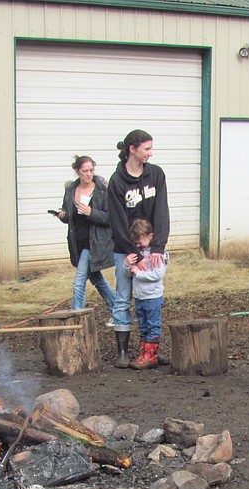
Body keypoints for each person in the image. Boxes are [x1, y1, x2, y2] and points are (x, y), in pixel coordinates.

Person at [108, 129, 170, 368]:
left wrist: (156, 247)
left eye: (151, 148)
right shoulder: (117, 181)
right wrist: (133, 254)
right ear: (132, 150)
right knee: (124, 298)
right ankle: (122, 351)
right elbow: (117, 219)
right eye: (146, 149)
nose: (150, 153)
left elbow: (162, 211)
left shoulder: (156, 174)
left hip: (151, 246)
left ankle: (150, 349)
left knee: (152, 298)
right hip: (126, 248)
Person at [55, 155, 115, 324]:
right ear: (77, 171)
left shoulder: (102, 190)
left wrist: (91, 212)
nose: (89, 174)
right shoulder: (70, 190)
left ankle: (77, 320)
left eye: (91, 170)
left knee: (78, 282)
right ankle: (118, 309)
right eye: (85, 171)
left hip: (94, 243)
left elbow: (110, 218)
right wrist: (63, 215)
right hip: (78, 243)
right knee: (97, 279)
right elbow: (69, 217)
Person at [124, 218, 168, 370]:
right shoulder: (138, 253)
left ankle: (151, 355)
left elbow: (157, 274)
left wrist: (139, 273)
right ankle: (144, 353)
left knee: (153, 326)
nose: (137, 245)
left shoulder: (157, 254)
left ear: (150, 235)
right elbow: (129, 273)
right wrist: (127, 264)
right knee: (143, 326)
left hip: (153, 296)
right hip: (140, 296)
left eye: (140, 241)